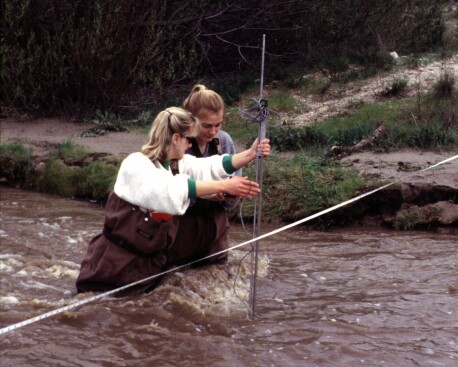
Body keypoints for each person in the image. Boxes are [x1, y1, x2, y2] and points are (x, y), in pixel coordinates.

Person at [76, 106, 270, 294]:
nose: (190, 144)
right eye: (188, 139)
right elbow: (171, 190)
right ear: (176, 138)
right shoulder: (135, 164)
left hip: (145, 268)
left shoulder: (175, 163)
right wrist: (224, 186)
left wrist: (250, 154)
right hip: (110, 268)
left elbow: (207, 167)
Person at [166, 84, 240, 269]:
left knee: (217, 273)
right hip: (181, 229)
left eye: (218, 125)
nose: (213, 131)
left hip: (216, 227)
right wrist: (207, 192)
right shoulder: (176, 143)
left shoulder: (224, 141)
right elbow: (171, 195)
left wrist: (230, 196)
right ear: (191, 120)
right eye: (206, 125)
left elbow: (233, 196)